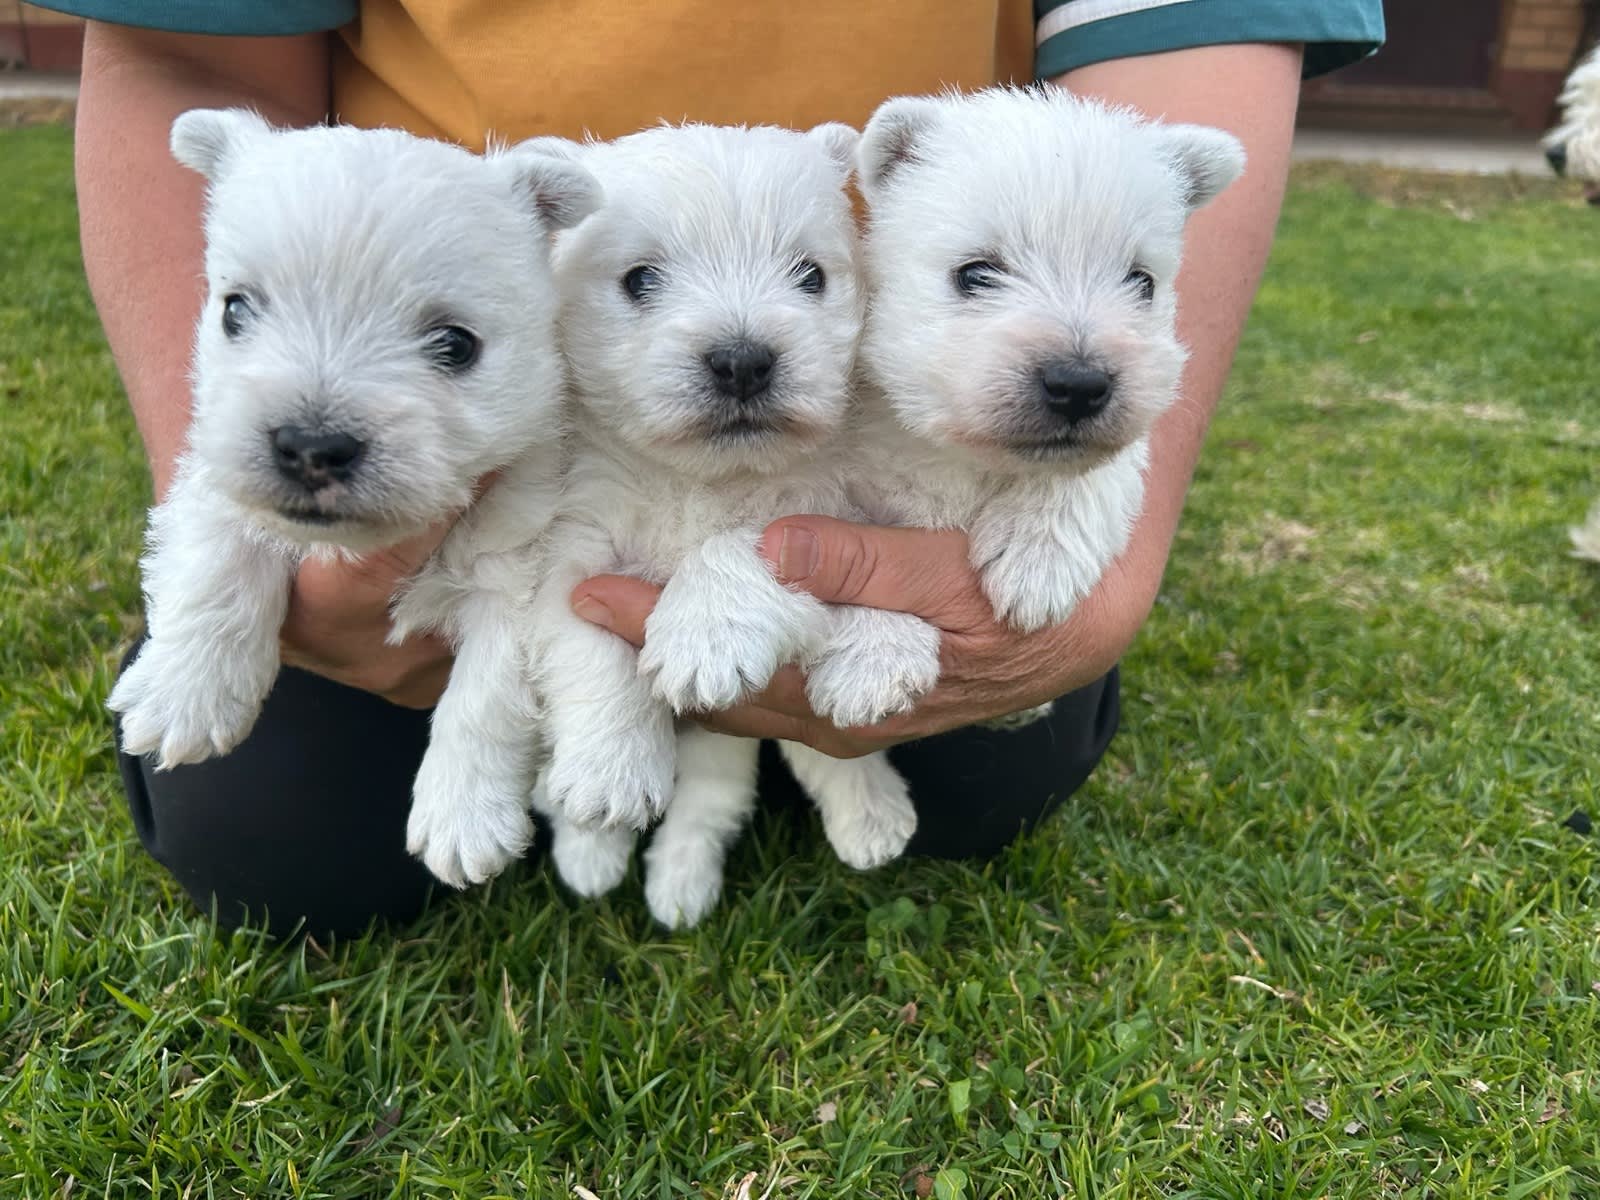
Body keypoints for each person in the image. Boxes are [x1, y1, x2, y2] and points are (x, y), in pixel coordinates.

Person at [47, 0, 1383, 938]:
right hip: (498, 317)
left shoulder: (902, 276)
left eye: (814, 281)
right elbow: (181, 54)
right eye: (977, 274)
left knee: (984, 780)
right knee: (272, 849)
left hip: (759, 431)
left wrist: (1108, 555)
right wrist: (239, 514)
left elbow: (1183, 76)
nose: (743, 340)